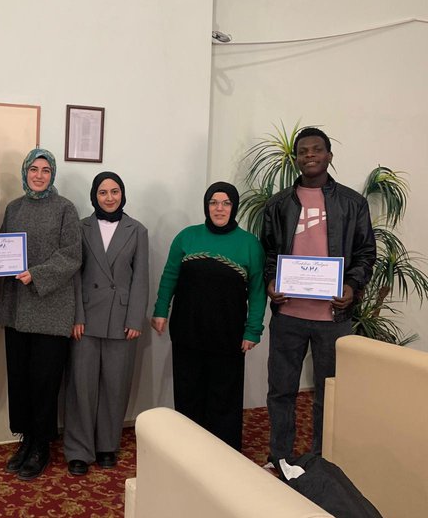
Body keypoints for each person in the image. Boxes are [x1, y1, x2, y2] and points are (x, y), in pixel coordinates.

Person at [262, 127, 375, 463]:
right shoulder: (278, 204)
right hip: (288, 315)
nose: (309, 155)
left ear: (329, 155)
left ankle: (323, 459)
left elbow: (366, 253)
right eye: (303, 151)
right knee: (281, 391)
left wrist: (351, 285)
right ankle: (280, 458)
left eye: (316, 149)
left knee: (330, 393)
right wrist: (271, 281)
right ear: (296, 159)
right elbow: (268, 253)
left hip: (333, 318)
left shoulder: (353, 203)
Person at [0, 148, 81, 480]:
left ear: (52, 174)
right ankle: (26, 439)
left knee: (45, 381)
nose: (39, 175)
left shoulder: (65, 208)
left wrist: (37, 274)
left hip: (50, 308)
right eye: (34, 169)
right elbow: (0, 248)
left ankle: (41, 445)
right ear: (25, 172)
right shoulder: (14, 208)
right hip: (16, 308)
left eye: (45, 170)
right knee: (20, 379)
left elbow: (72, 255)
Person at [152, 182, 265, 451]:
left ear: (234, 207)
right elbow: (170, 276)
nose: (219, 208)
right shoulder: (186, 237)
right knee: (188, 392)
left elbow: (258, 291)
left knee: (224, 397)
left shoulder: (249, 244)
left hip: (228, 335)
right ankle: (188, 452)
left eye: (226, 203)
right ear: (206, 206)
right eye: (214, 202)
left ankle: (222, 453)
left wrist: (253, 330)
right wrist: (160, 310)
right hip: (187, 332)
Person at [64, 172, 149, 476]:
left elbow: (141, 278)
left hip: (122, 320)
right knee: (81, 386)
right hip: (85, 319)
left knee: (115, 385)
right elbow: (74, 276)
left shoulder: (137, 230)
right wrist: (76, 315)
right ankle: (78, 449)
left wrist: (135, 318)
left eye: (115, 191)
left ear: (122, 195)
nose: (109, 197)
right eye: (103, 192)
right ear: (94, 196)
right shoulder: (80, 227)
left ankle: (107, 446)